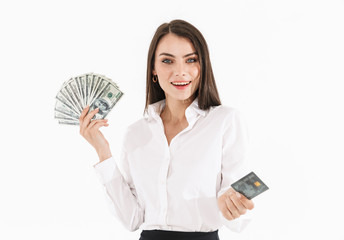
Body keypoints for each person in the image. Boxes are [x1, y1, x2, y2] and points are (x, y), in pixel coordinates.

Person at [79, 19, 255, 240]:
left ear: (203, 66)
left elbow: (241, 211)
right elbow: (132, 219)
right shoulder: (136, 133)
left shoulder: (226, 121)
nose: (180, 72)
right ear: (153, 69)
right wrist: (102, 151)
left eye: (191, 60)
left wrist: (231, 203)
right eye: (167, 61)